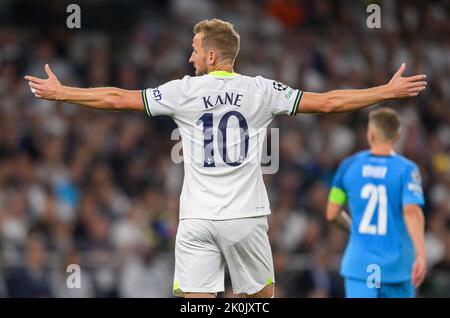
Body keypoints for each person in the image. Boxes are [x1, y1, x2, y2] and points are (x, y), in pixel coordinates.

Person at [25, 19, 427, 298]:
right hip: (244, 217)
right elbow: (328, 103)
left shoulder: (183, 91)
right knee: (257, 299)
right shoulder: (261, 89)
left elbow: (115, 99)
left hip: (196, 219)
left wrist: (65, 93)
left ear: (213, 57)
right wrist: (384, 92)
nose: (189, 58)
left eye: (195, 50)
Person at [326, 108, 426, 298]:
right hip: (396, 268)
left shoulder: (348, 166)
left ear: (370, 134)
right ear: (397, 136)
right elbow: (412, 212)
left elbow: (332, 213)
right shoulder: (407, 170)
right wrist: (421, 254)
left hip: (360, 267)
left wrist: (353, 228)